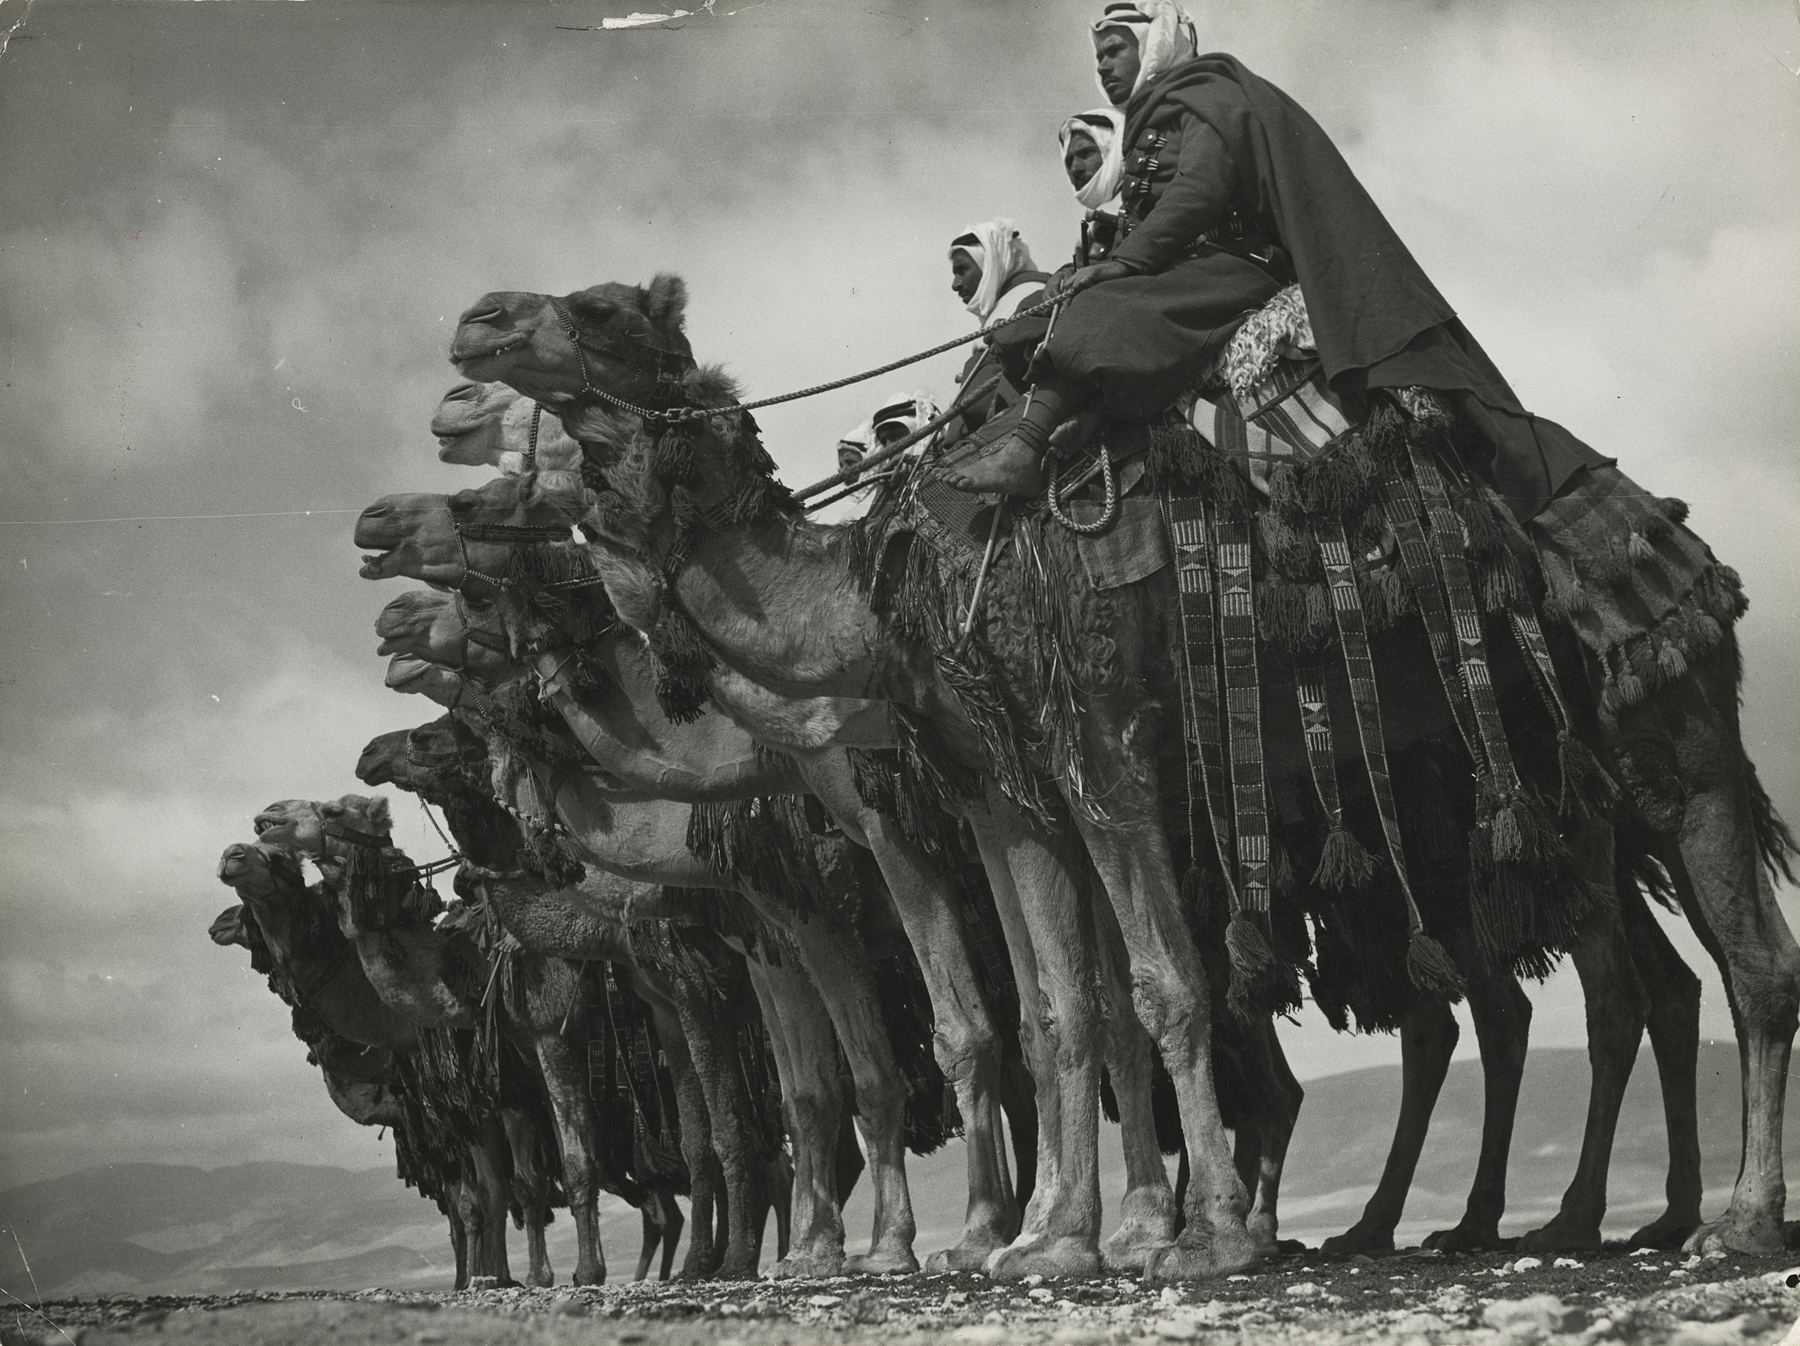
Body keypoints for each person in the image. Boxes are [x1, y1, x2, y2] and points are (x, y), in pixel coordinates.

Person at [942, 0, 1608, 520]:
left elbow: (1200, 191)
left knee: (1103, 309)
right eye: (1099, 59)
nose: (1105, 68)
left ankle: (1028, 452)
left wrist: (1119, 267)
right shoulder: (1159, 114)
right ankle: (1075, 419)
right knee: (1031, 321)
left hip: (1233, 269)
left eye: (1116, 50)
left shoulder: (1208, 95)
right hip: (1181, 272)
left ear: (1156, 42)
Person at [939, 220, 1051, 444]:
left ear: (992, 262)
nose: (955, 284)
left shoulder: (1032, 294)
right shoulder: (1008, 304)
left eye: (962, 270)